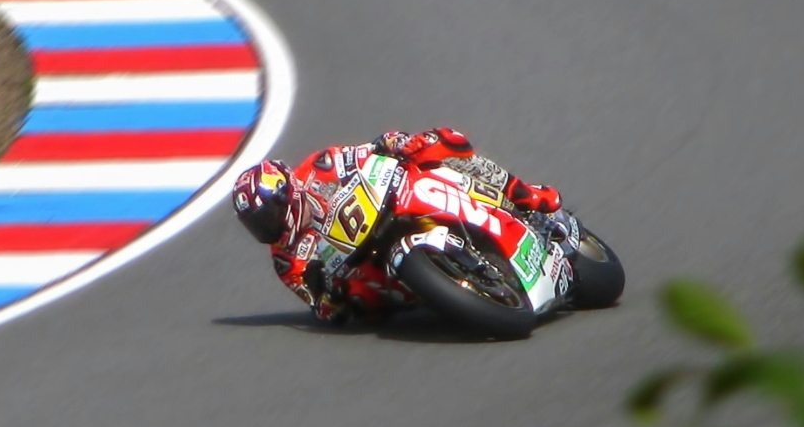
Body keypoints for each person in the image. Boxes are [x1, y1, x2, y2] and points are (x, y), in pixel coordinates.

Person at [232, 128, 562, 324]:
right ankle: (456, 288)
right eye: (257, 225)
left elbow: (368, 151)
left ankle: (527, 196)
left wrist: (395, 143)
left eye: (268, 215)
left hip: (391, 204)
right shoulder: (286, 260)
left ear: (288, 191)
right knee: (366, 306)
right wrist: (331, 297)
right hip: (373, 269)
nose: (267, 227)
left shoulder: (321, 166)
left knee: (441, 151)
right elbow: (323, 309)